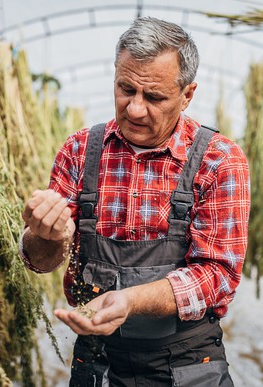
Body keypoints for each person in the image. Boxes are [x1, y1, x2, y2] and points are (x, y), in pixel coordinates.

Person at [19, 16, 250, 387]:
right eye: (126, 89)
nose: (135, 109)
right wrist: (45, 235)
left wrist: (128, 302)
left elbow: (217, 275)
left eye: (154, 97)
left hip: (188, 360)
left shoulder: (218, 160)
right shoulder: (80, 151)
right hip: (99, 359)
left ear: (187, 94)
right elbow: (42, 262)